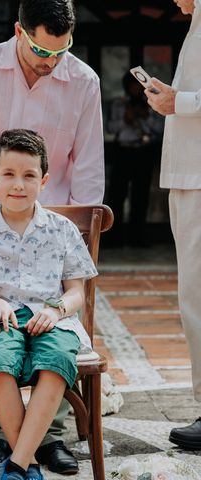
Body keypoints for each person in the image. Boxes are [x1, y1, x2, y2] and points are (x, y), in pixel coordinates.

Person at [0, 0, 104, 472]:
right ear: (18, 31)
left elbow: (89, 163)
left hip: (57, 226)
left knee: (51, 331)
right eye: (39, 50)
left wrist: (84, 237)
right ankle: (5, 436)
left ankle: (43, 438)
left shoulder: (84, 80)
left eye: (61, 50)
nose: (51, 61)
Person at [0, 129, 97, 480]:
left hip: (52, 317)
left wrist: (56, 310)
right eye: (8, 174)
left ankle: (17, 464)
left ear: (44, 180)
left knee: (56, 360)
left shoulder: (61, 229)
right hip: (1, 320)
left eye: (29, 175)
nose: (18, 184)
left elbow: (77, 291)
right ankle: (29, 462)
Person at [144, 0, 201, 451]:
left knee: (197, 297)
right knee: (193, 297)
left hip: (199, 177)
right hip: (190, 174)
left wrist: (176, 101)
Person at [106, 71, 163, 247]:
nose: (135, 89)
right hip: (123, 151)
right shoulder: (118, 104)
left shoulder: (152, 103)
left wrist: (146, 116)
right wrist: (126, 118)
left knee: (141, 196)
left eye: (138, 85)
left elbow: (160, 129)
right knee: (117, 195)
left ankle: (137, 237)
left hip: (143, 151)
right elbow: (110, 128)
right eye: (132, 85)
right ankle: (113, 238)